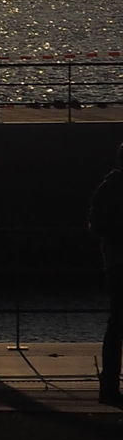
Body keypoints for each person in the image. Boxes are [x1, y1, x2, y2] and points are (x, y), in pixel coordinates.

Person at [88, 142, 123, 405]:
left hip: (115, 263)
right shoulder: (111, 188)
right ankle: (109, 382)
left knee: (116, 324)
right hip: (118, 262)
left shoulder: (108, 187)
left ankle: (109, 382)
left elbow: (96, 224)